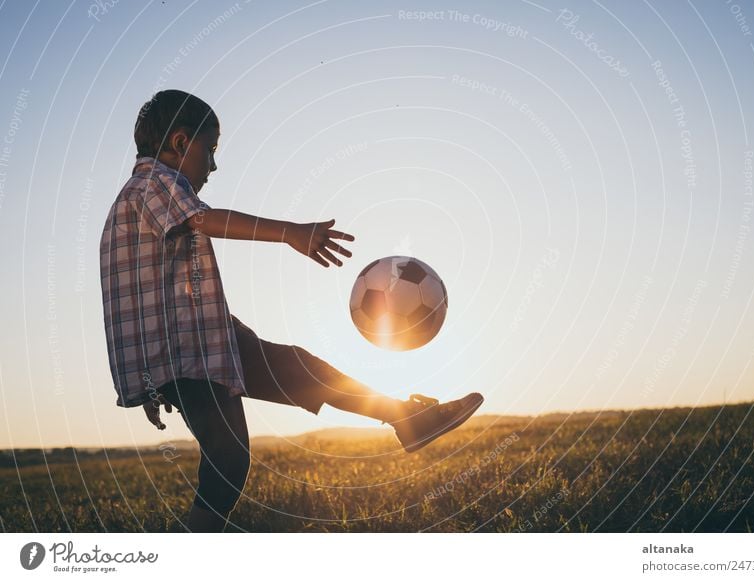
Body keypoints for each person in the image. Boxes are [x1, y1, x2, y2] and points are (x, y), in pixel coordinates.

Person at [99, 90, 483, 533]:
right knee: (227, 459)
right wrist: (289, 233)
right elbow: (203, 219)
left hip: (208, 340)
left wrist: (148, 378)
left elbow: (125, 298)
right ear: (182, 143)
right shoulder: (152, 185)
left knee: (301, 369)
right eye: (212, 150)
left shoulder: (134, 201)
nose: (214, 166)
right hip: (188, 354)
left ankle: (408, 419)